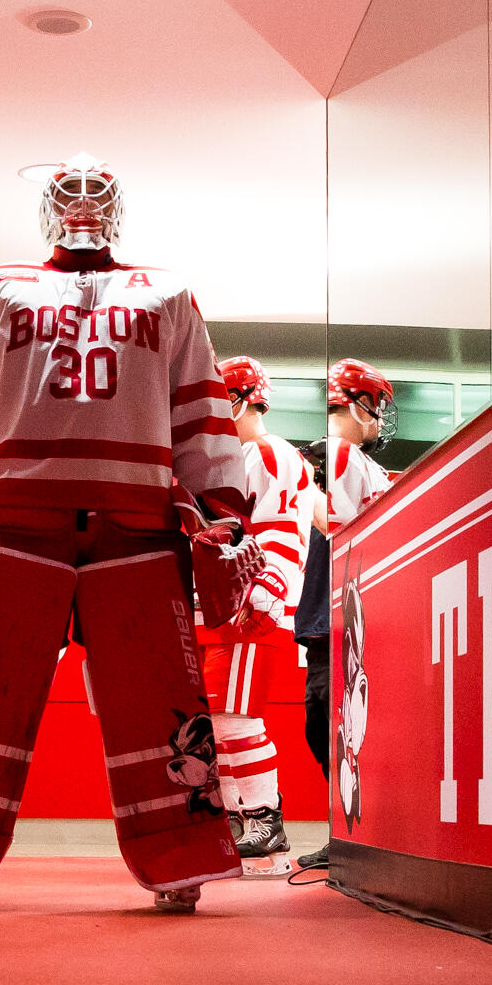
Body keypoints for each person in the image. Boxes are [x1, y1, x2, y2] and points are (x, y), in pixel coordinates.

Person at [0, 153, 250, 912]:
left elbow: (200, 413)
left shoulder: (170, 293)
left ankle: (180, 861)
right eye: (69, 193)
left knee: (161, 704)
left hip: (138, 530)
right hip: (17, 524)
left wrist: (223, 516)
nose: (84, 205)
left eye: (98, 193)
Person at [194, 356, 314, 874]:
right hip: (231, 609)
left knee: (236, 719)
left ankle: (264, 819)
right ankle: (247, 820)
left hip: (250, 611)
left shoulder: (266, 452)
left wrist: (262, 594)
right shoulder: (244, 454)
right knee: (220, 722)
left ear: (242, 398)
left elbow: (283, 529)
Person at [293, 357, 396, 870]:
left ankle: (355, 833)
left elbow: (332, 522)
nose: (379, 418)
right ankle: (352, 831)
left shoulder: (345, 459)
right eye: (376, 406)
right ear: (359, 404)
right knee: (330, 725)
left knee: (331, 724)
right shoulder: (344, 456)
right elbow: (337, 523)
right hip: (341, 613)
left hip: (346, 612)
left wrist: (305, 484)